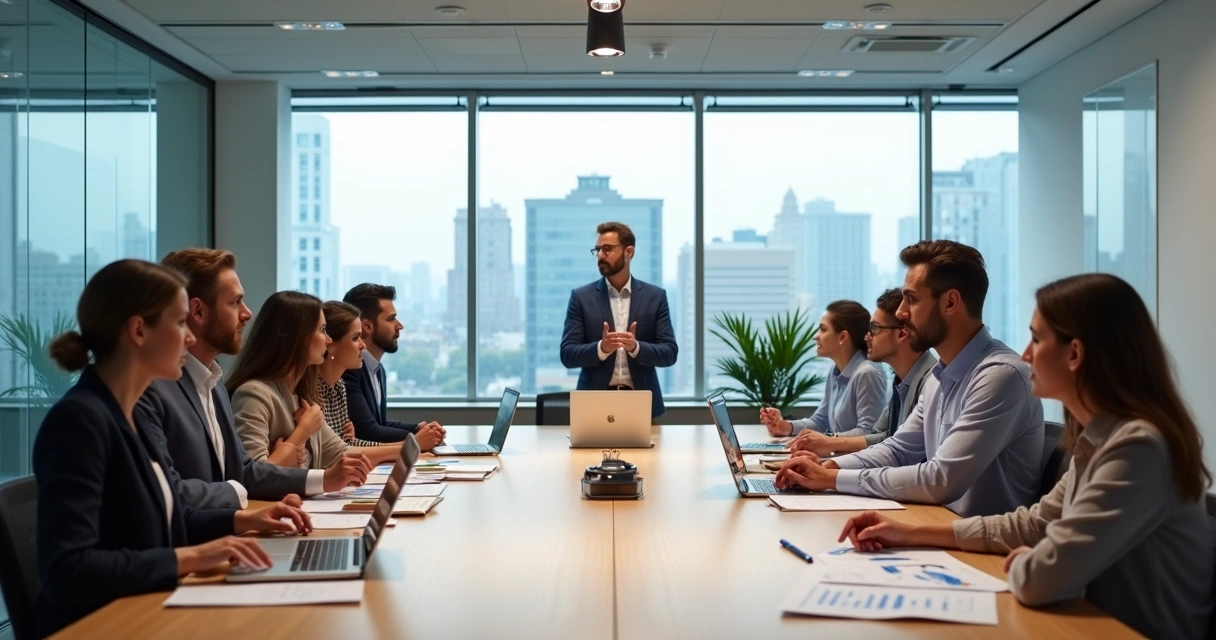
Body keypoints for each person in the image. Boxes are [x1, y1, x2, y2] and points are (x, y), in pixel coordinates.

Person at [837, 273, 1212, 639]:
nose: (1026, 353)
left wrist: (1025, 561)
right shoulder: (1100, 439)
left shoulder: (1138, 449)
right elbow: (1035, 525)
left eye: (1036, 339)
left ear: (1075, 354)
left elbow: (1039, 578)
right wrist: (911, 534)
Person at [34, 260, 312, 637]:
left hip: (150, 608)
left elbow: (171, 516)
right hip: (107, 625)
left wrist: (240, 521)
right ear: (138, 330)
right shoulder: (80, 420)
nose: (191, 338)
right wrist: (190, 557)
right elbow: (67, 572)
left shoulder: (128, 414)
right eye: (180, 323)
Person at [775, 240, 1044, 518]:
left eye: (912, 299)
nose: (901, 312)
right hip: (941, 526)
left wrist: (831, 479)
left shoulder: (1000, 375)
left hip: (985, 552)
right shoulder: (938, 376)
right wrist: (832, 467)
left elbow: (941, 479)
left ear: (950, 302)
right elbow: (898, 450)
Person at [137, 249, 369, 509]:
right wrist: (237, 495)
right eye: (235, 302)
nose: (247, 313)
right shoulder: (153, 391)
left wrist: (325, 480)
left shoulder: (215, 388)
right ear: (198, 312)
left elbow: (246, 471)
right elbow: (171, 493)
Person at [228, 291, 412, 470]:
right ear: (299, 337)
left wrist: (410, 450)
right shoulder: (253, 394)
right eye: (323, 330)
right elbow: (253, 477)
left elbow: (339, 451)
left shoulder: (303, 393)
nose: (328, 339)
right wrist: (303, 430)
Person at [782, 289, 937, 456]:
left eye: (875, 328)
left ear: (902, 334)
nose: (867, 337)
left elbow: (898, 449)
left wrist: (829, 449)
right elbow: (881, 437)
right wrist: (828, 463)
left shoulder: (931, 383)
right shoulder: (901, 381)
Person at [559, 221, 678, 419]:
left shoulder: (655, 297)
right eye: (597, 250)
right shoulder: (581, 297)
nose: (600, 255)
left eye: (607, 249)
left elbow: (670, 353)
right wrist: (601, 348)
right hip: (593, 405)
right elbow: (567, 355)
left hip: (642, 405)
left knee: (649, 452)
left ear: (628, 252)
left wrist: (636, 347)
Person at [759, 300, 886, 441]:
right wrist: (785, 427)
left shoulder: (867, 373)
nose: (815, 336)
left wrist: (826, 440)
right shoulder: (835, 370)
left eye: (823, 329)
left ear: (842, 337)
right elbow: (820, 421)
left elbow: (868, 433)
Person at [341, 283, 445, 452]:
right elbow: (367, 431)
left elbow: (379, 424)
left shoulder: (377, 369)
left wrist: (418, 428)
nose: (399, 326)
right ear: (367, 326)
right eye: (391, 319)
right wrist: (417, 439)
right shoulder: (348, 371)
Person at [319, 301, 380, 447]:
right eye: (355, 338)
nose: (363, 345)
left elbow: (348, 444)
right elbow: (339, 452)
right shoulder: (312, 391)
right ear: (330, 345)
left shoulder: (339, 385)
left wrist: (408, 448)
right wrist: (408, 447)